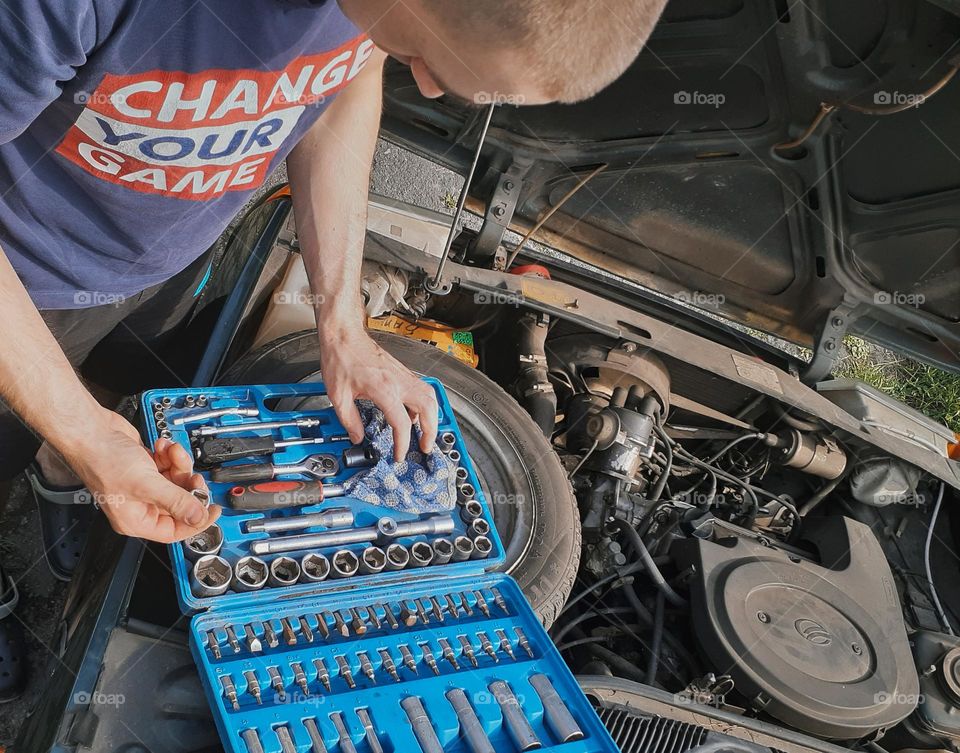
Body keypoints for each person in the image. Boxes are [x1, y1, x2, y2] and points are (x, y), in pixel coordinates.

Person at [0, 0, 667, 698]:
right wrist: (82, 431)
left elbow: (344, 75)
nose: (430, 89)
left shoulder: (377, 14)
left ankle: (61, 474)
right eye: (432, 64)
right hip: (23, 278)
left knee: (117, 400)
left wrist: (342, 324)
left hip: (169, 259)